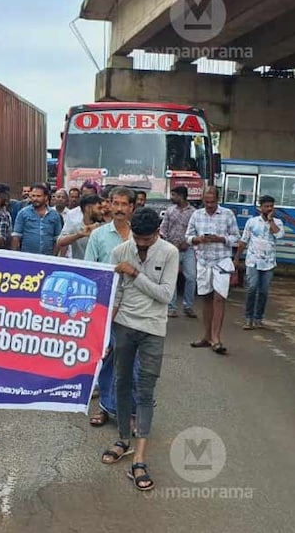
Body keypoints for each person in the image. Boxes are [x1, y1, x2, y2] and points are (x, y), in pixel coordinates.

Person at [100, 207, 177, 493]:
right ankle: (122, 440)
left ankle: (140, 458)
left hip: (153, 329)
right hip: (123, 326)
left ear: (158, 232)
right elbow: (114, 294)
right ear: (131, 230)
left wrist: (135, 274)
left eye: (147, 239)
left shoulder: (169, 252)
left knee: (145, 390)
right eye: (138, 238)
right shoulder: (120, 251)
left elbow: (166, 296)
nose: (141, 244)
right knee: (121, 384)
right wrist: (102, 335)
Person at [84, 187, 139, 427]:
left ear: (132, 208)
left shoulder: (141, 235)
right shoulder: (99, 235)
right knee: (106, 361)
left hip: (135, 309)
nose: (118, 208)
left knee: (133, 364)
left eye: (123, 204)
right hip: (105, 308)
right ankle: (106, 407)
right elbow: (90, 269)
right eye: (114, 203)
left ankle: (134, 413)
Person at [185, 186, 239, 355]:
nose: (209, 205)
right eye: (206, 202)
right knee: (206, 298)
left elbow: (236, 238)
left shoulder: (227, 214)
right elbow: (187, 237)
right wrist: (198, 239)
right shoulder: (196, 214)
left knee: (219, 298)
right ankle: (207, 336)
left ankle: (216, 337)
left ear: (218, 200)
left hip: (222, 260)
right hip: (203, 260)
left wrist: (220, 238)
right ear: (203, 200)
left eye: (212, 202)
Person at [237, 195, 285, 329]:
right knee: (252, 288)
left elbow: (279, 235)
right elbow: (243, 240)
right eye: (266, 206)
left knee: (263, 291)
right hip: (252, 261)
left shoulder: (278, 222)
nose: (269, 209)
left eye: (271, 206)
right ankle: (248, 318)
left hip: (269, 263)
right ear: (260, 208)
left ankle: (258, 318)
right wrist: (236, 258)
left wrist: (270, 222)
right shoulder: (252, 222)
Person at [160, 186, 197, 318]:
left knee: (191, 277)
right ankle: (171, 307)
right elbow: (163, 229)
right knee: (171, 278)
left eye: (174, 195)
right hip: (171, 248)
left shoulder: (194, 213)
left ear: (181, 196)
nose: (171, 197)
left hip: (188, 249)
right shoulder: (170, 211)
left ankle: (188, 306)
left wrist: (187, 242)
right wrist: (165, 242)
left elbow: (196, 231)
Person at [11, 183, 62, 255]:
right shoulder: (23, 213)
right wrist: (15, 256)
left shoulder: (54, 215)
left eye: (38, 196)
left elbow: (57, 239)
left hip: (47, 257)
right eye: (33, 196)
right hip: (27, 257)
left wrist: (54, 257)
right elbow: (16, 236)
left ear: (46, 197)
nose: (35, 199)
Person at [57, 194, 103, 259]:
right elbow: (60, 242)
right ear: (88, 208)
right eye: (99, 208)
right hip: (79, 265)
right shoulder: (75, 224)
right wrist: (79, 235)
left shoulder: (104, 226)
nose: (102, 212)